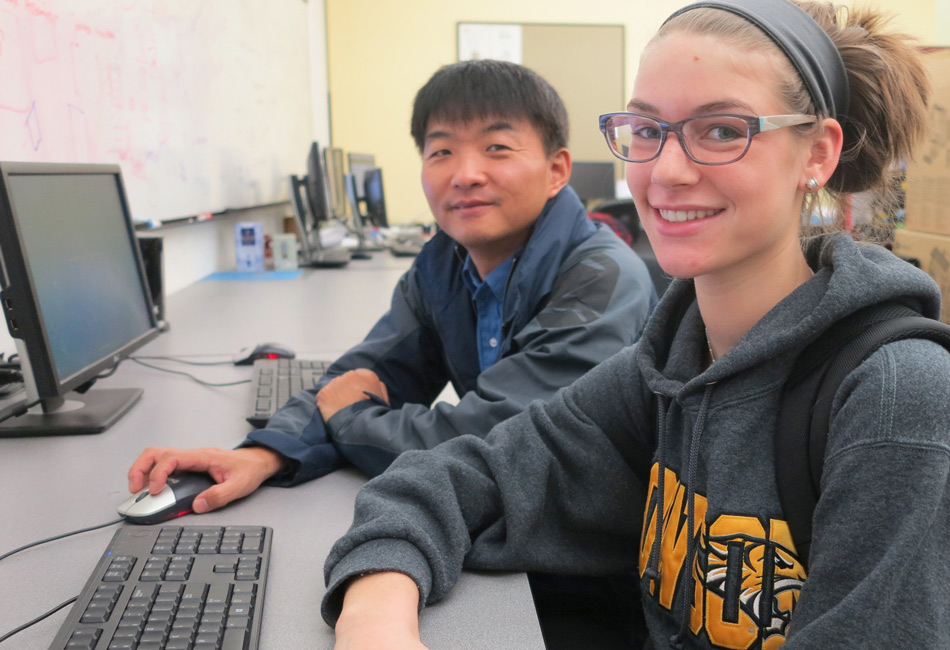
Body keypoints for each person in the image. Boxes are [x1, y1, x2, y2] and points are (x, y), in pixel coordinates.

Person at [321, 1, 950, 649]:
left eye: (722, 131)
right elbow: (457, 476)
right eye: (647, 129)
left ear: (817, 153)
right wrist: (375, 613)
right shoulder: (669, 365)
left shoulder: (893, 402)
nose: (665, 171)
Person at [127, 61, 655, 520]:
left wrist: (352, 420)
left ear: (556, 170)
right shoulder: (443, 267)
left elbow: (500, 439)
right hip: (505, 515)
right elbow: (367, 376)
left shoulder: (601, 281)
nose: (465, 174)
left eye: (497, 147)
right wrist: (267, 454)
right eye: (441, 151)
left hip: (592, 550)